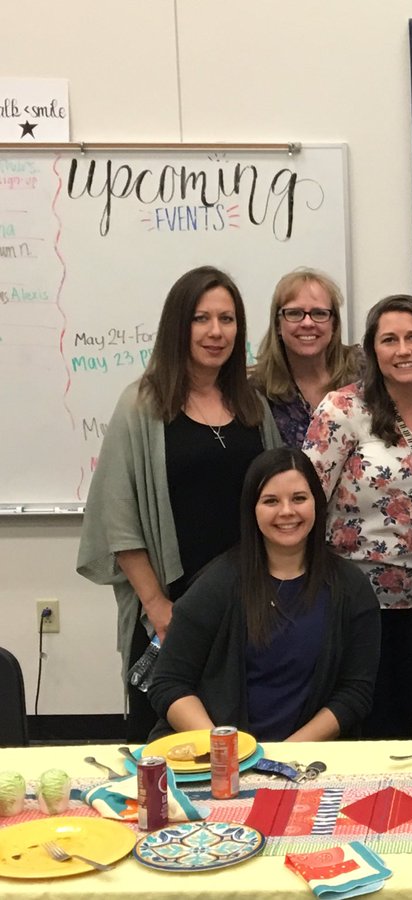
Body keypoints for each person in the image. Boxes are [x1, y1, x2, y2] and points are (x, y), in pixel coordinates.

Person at [78, 266, 282, 742]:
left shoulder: (253, 405)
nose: (216, 332)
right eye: (201, 319)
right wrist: (157, 605)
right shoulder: (142, 406)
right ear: (178, 326)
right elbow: (117, 515)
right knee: (166, 746)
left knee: (242, 742)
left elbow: (277, 500)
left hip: (247, 606)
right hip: (170, 609)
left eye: (227, 319)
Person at [304, 295, 412, 738]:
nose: (403, 350)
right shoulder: (342, 411)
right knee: (368, 726)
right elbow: (306, 501)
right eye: (389, 340)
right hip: (358, 602)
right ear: (372, 350)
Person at [147, 449, 380, 741]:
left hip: (309, 760)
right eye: (271, 501)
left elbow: (355, 692)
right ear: (251, 509)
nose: (286, 512)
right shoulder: (216, 585)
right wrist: (228, 749)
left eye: (298, 498)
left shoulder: (351, 587)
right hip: (221, 760)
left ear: (317, 504)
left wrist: (288, 754)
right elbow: (169, 683)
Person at [252, 268, 363, 448]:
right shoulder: (259, 392)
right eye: (295, 313)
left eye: (319, 313)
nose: (308, 323)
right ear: (278, 325)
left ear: (333, 324)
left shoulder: (364, 371)